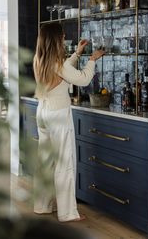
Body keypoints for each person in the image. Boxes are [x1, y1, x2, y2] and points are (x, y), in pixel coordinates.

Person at [33, 22, 104, 222]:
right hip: (58, 114)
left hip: (43, 112)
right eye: (62, 36)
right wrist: (92, 59)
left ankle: (42, 206)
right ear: (56, 39)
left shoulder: (39, 59)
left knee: (45, 162)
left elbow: (63, 70)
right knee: (64, 162)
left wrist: (77, 53)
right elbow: (82, 79)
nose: (64, 38)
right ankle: (67, 213)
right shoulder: (58, 62)